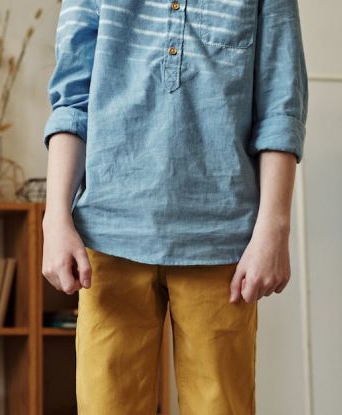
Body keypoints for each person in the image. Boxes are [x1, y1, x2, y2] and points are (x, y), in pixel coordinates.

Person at [40, 0, 308, 414]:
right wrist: (54, 218)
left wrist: (275, 228)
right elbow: (72, 104)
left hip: (222, 244)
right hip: (108, 240)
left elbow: (280, 108)